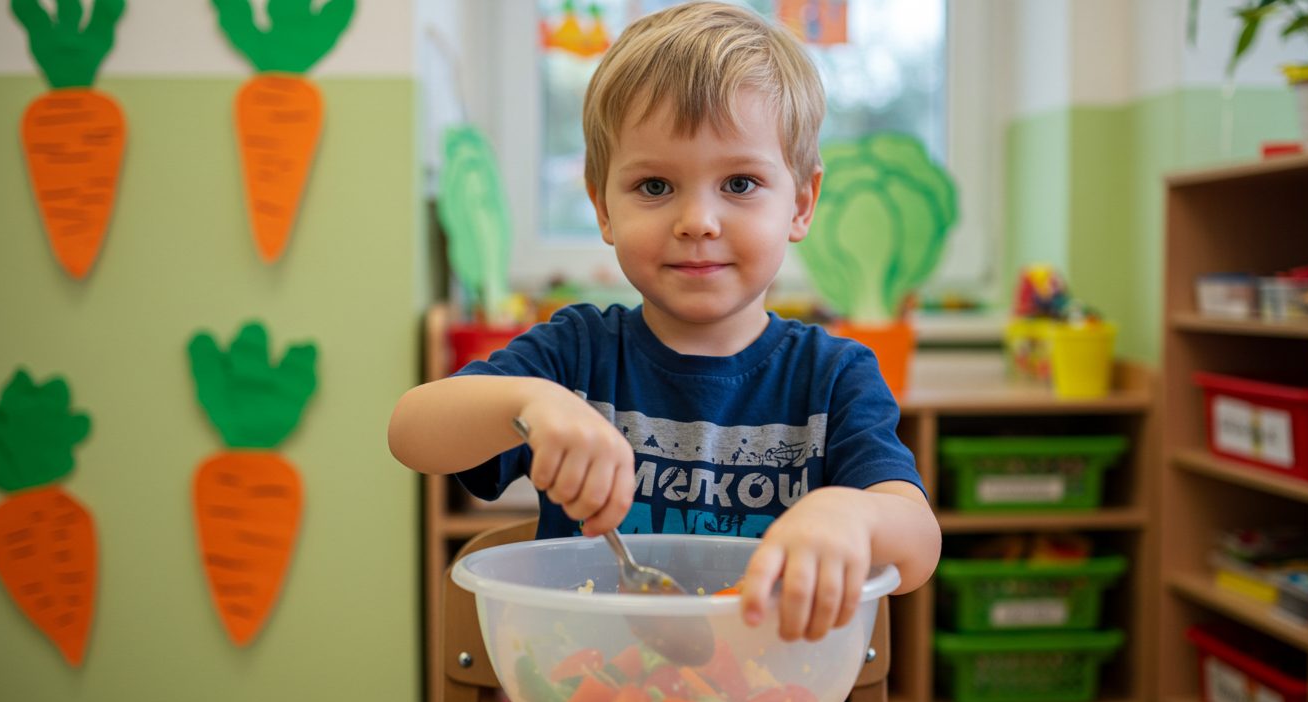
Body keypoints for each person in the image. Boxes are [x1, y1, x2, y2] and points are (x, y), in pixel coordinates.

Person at [389, 1, 940, 643]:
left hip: (778, 693)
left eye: (739, 183)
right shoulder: (575, 356)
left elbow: (918, 545)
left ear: (801, 203)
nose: (697, 221)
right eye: (654, 187)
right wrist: (530, 403)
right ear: (603, 206)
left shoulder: (833, 376)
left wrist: (853, 517)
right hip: (588, 690)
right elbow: (410, 432)